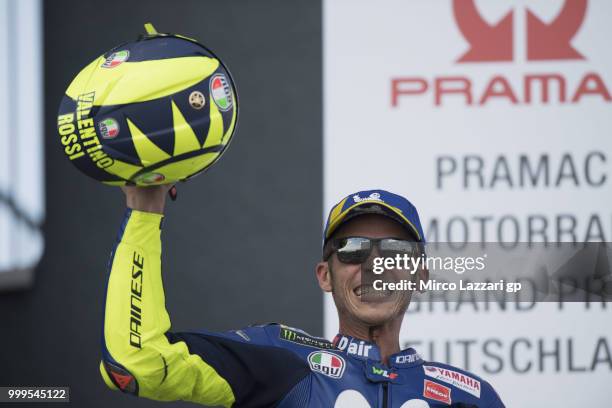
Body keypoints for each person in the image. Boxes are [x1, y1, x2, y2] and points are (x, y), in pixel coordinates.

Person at [100, 186, 505, 407]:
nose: (373, 266)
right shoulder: (281, 360)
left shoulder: (470, 396)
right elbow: (139, 363)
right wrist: (145, 209)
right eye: (352, 250)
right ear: (325, 275)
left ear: (419, 276)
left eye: (395, 252)